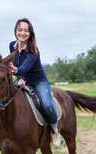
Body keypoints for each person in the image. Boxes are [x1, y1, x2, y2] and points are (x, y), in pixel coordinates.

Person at [9, 18, 61, 147]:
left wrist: (14, 70)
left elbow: (23, 68)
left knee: (48, 105)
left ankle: (54, 131)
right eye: (19, 30)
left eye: (26, 31)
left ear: (30, 33)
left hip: (39, 82)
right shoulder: (12, 45)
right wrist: (18, 76)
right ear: (15, 31)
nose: (22, 33)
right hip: (22, 80)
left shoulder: (34, 50)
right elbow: (17, 66)